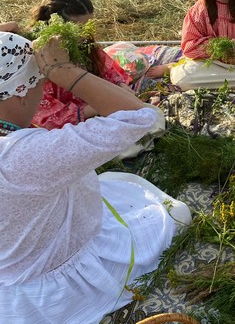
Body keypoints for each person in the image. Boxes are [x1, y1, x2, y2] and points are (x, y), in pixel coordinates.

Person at [0, 32, 191, 323]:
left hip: (11, 276)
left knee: (114, 182)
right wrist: (66, 72)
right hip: (52, 291)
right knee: (176, 214)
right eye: (40, 81)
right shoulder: (26, 155)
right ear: (22, 91)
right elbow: (142, 117)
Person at [30, 0, 133, 129]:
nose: (85, 35)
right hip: (68, 125)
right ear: (54, 26)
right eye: (79, 29)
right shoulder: (36, 60)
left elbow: (107, 71)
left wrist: (121, 87)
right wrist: (103, 103)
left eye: (88, 27)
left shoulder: (84, 44)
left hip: (97, 105)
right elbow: (45, 118)